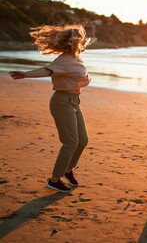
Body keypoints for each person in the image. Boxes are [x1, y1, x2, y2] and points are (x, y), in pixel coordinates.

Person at [9, 24, 91, 193]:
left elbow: (80, 77)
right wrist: (25, 74)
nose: (81, 43)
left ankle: (68, 170)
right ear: (74, 42)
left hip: (75, 101)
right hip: (62, 102)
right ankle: (54, 180)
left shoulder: (76, 58)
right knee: (70, 142)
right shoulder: (62, 60)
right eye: (79, 40)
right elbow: (46, 71)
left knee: (83, 140)